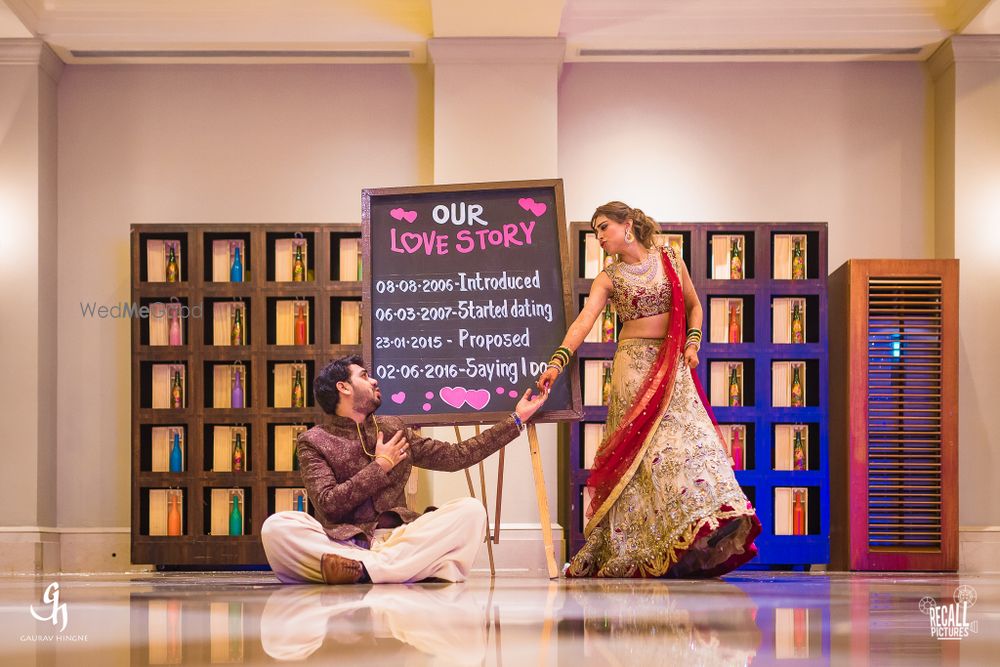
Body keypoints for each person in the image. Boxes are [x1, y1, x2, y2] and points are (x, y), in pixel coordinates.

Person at [537, 202, 761, 578]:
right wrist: (557, 362)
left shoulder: (670, 257)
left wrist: (692, 343)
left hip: (672, 366)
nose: (600, 237)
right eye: (595, 232)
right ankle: (644, 548)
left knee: (693, 444)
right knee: (644, 461)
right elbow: (585, 320)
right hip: (633, 370)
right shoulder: (608, 278)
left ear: (628, 225)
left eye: (604, 227)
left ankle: (697, 534)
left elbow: (693, 306)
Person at [262, 355, 548, 585]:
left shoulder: (393, 428)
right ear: (343, 387)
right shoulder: (314, 441)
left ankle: (366, 571)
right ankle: (397, 569)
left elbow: (455, 456)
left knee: (471, 511)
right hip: (344, 543)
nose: (374, 380)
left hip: (400, 538)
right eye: (363, 375)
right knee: (278, 527)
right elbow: (329, 505)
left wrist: (517, 420)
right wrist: (380, 466)